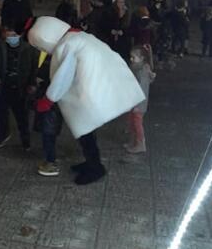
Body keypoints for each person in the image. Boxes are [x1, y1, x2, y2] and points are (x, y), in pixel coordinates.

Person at [27, 16, 144, 185]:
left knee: (85, 131)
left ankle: (95, 168)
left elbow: (62, 78)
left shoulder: (68, 45)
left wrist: (48, 100)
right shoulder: (80, 37)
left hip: (89, 95)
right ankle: (91, 163)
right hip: (97, 87)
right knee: (87, 131)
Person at [0, 24, 37, 151]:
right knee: (1, 114)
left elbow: (33, 68)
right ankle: (3, 135)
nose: (11, 37)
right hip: (4, 86)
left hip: (20, 87)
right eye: (8, 34)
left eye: (14, 35)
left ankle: (25, 140)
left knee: (22, 116)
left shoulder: (28, 49)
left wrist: (32, 84)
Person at [34, 50, 63, 176]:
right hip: (50, 105)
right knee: (49, 135)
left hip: (50, 106)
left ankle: (51, 163)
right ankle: (50, 160)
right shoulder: (54, 57)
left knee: (48, 136)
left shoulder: (55, 60)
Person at [125, 46, 156, 154]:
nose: (131, 59)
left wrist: (137, 105)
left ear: (141, 58)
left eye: (134, 57)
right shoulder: (137, 67)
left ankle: (140, 143)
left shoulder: (141, 70)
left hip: (138, 103)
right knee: (132, 121)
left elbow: (142, 88)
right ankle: (133, 141)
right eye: (131, 57)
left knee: (137, 123)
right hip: (134, 101)